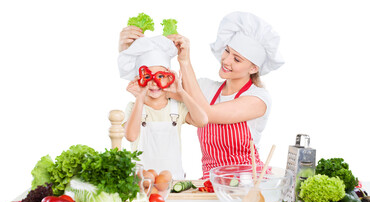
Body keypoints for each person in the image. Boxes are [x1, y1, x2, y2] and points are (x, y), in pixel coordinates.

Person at [167, 12, 284, 179]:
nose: (226, 60)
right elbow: (157, 87)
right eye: (227, 51)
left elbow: (206, 114)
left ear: (253, 68)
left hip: (247, 185)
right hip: (210, 183)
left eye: (237, 59)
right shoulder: (207, 88)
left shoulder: (258, 99)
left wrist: (185, 61)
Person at [118, 34, 208, 180]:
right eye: (148, 77)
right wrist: (140, 98)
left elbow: (202, 120)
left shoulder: (176, 107)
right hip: (142, 183)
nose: (154, 83)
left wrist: (181, 91)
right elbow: (131, 136)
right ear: (139, 79)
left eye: (160, 76)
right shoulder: (134, 107)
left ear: (169, 77)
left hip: (174, 181)